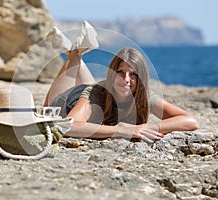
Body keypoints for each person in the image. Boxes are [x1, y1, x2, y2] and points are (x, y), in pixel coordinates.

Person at [44, 21, 199, 143]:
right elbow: (70, 126)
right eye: (120, 72)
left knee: (94, 89)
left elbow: (189, 121)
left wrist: (142, 128)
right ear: (112, 73)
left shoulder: (143, 96)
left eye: (133, 74)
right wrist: (121, 130)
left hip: (91, 93)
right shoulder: (96, 92)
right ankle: (73, 55)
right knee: (50, 108)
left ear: (141, 78)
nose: (126, 79)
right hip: (67, 102)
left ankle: (73, 50)